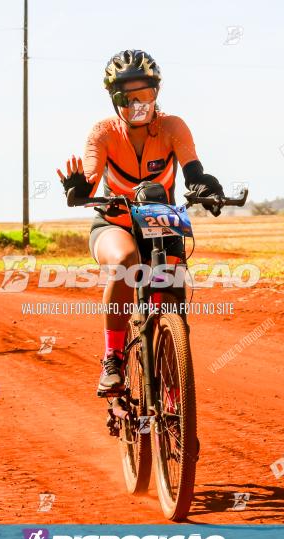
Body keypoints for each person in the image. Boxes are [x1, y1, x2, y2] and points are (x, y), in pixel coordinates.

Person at [57, 49, 225, 395]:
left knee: (173, 293)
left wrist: (204, 187)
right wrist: (78, 188)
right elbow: (89, 178)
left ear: (156, 94)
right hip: (114, 224)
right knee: (125, 263)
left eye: (145, 95)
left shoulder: (172, 126)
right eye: (129, 97)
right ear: (114, 98)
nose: (139, 105)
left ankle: (176, 395)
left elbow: (192, 168)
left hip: (161, 223)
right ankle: (113, 360)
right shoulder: (103, 132)